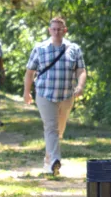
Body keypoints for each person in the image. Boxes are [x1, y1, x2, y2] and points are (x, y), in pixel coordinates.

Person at [23, 16, 86, 175]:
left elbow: (81, 70)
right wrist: (26, 92)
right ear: (49, 30)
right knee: (51, 127)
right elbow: (30, 72)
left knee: (59, 130)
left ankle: (48, 160)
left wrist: (80, 86)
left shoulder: (74, 49)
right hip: (45, 94)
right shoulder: (40, 48)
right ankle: (55, 161)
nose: (57, 32)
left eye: (60, 29)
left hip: (66, 95)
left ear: (65, 30)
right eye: (54, 29)